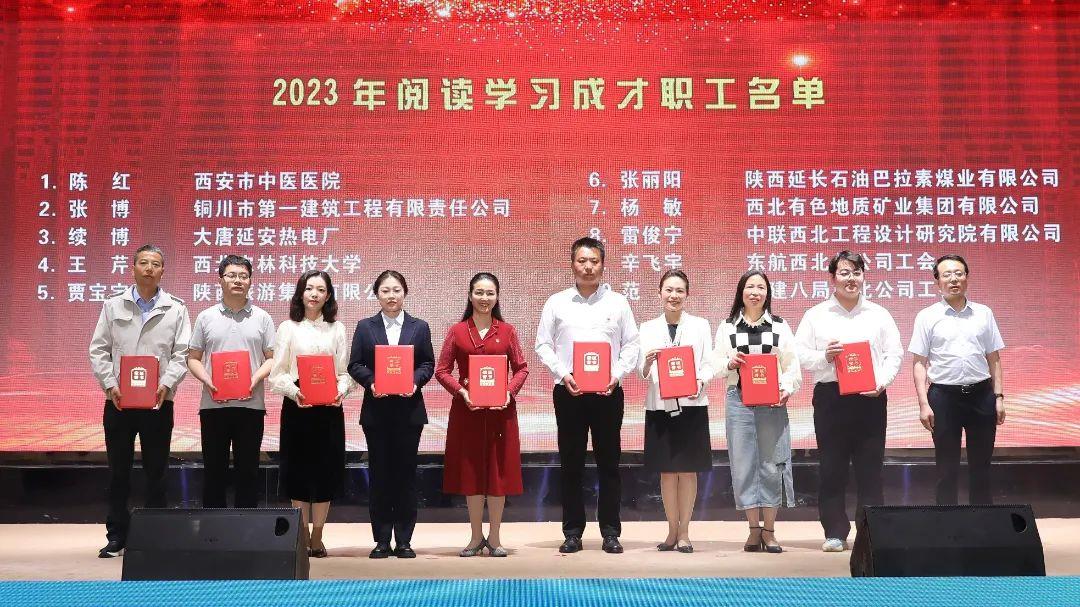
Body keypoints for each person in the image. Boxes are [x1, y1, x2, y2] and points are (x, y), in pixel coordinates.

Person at [535, 236, 640, 555]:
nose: (588, 267)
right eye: (582, 261)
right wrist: (562, 373)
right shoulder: (557, 302)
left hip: (608, 393)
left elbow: (632, 344)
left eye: (594, 261)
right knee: (571, 464)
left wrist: (616, 374)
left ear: (603, 264)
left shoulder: (618, 303)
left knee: (609, 464)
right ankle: (572, 532)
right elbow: (542, 344)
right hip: (569, 392)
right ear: (572, 264)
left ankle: (610, 532)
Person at [794, 251, 903, 553]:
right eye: (844, 273)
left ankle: (870, 533)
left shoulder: (879, 314)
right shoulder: (816, 315)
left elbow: (894, 353)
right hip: (831, 398)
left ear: (863, 276)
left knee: (871, 469)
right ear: (833, 278)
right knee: (832, 468)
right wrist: (824, 357)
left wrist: (882, 382)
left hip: (870, 398)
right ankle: (835, 532)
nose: (851, 279)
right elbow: (799, 353)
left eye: (856, 272)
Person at [88, 244, 191, 558]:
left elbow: (182, 353)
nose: (149, 268)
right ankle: (117, 535)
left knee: (156, 471)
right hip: (119, 402)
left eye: (155, 264)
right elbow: (98, 349)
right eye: (143, 263)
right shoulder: (113, 305)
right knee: (118, 472)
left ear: (163, 270)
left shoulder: (176, 308)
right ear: (132, 268)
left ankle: (154, 537)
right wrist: (110, 385)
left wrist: (167, 383)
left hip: (159, 402)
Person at [435, 272, 529, 557]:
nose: (484, 298)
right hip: (468, 412)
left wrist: (509, 392)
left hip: (501, 412)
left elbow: (522, 368)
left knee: (498, 475)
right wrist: (461, 392)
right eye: (479, 292)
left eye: (490, 293)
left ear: (497, 297)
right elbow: (442, 370)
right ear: (469, 295)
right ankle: (476, 537)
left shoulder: (508, 331)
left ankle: (496, 538)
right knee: (472, 474)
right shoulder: (457, 331)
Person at [347, 270, 435, 559]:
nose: (391, 296)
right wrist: (372, 382)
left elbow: (427, 364)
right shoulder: (365, 327)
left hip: (409, 412)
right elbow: (355, 364)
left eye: (396, 290)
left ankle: (405, 540)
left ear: (404, 292)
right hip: (377, 412)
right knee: (381, 476)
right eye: (385, 291)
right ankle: (382, 540)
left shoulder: (419, 327)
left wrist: (415, 382)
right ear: (376, 294)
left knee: (406, 476)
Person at [713, 270, 801, 553]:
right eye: (750, 286)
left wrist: (786, 388)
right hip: (738, 401)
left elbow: (792, 366)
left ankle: (770, 531)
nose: (755, 292)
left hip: (772, 402)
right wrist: (729, 363)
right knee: (744, 464)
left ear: (767, 293)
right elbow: (713, 365)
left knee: (772, 463)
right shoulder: (727, 326)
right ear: (741, 292)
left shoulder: (779, 326)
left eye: (760, 287)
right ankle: (753, 530)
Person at [268, 270, 353, 557]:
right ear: (300, 293)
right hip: (298, 407)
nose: (314, 294)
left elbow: (344, 372)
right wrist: (295, 392)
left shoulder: (337, 328)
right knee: (299, 472)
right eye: (309, 288)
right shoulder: (287, 327)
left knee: (326, 472)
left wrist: (339, 392)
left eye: (321, 289)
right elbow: (277, 373)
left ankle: (318, 534)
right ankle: (302, 533)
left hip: (329, 409)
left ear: (328, 296)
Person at [910, 254, 1006, 505]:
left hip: (981, 395)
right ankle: (946, 522)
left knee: (981, 467)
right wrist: (923, 404)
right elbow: (919, 363)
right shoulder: (926, 316)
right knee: (946, 468)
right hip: (943, 397)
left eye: (958, 273)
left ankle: (982, 521)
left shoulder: (984, 313)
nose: (953, 279)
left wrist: (998, 396)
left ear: (966, 277)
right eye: (947, 275)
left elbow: (994, 358)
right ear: (937, 282)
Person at [186, 255, 276, 509]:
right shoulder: (206, 317)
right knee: (214, 471)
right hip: (213, 405)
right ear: (220, 280)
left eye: (243, 276)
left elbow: (272, 358)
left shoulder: (262, 317)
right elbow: (193, 358)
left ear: (250, 281)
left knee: (248, 471)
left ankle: (246, 527)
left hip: (251, 405)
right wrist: (207, 378)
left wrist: (255, 377)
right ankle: (213, 528)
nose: (238, 280)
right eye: (232, 275)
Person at [637, 270, 714, 554]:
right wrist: (647, 363)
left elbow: (708, 363)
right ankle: (671, 530)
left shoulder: (700, 325)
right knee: (667, 473)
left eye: (680, 290)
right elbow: (641, 371)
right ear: (659, 293)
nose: (674, 295)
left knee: (688, 471)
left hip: (692, 405)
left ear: (687, 294)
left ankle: (685, 532)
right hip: (660, 407)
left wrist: (700, 382)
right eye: (669, 290)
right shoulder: (647, 328)